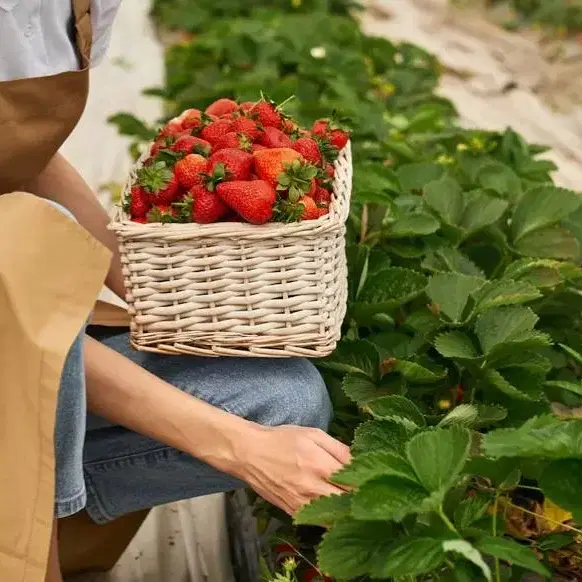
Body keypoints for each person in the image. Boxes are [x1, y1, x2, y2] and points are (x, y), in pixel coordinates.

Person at [0, 3, 351, 582]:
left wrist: (154, 286)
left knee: (284, 404)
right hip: (10, 303)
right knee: (28, 249)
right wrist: (239, 448)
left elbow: (23, 154)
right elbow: (28, 319)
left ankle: (40, 526)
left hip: (27, 300)